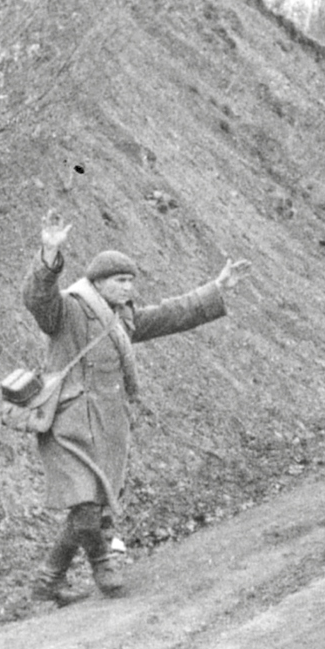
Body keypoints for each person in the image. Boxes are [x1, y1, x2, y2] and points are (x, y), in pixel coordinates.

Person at [22, 209, 248, 603]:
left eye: (130, 281)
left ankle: (48, 580)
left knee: (90, 506)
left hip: (109, 428)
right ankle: (102, 566)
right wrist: (48, 254)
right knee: (86, 505)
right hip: (68, 425)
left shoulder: (122, 318)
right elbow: (39, 300)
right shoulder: (70, 308)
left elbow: (171, 314)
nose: (128, 288)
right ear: (98, 283)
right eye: (120, 281)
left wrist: (217, 288)